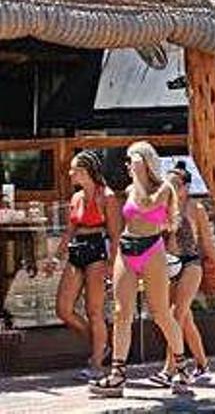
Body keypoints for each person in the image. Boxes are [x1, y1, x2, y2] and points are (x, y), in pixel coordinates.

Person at [90, 141, 189, 397]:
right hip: (127, 247)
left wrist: (140, 175)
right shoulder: (130, 187)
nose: (127, 165)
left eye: (130, 160)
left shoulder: (163, 188)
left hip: (152, 249)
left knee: (160, 313)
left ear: (144, 161)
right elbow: (130, 215)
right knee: (122, 312)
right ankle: (117, 375)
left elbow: (146, 205)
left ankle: (180, 366)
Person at [46, 151, 120, 381]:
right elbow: (70, 230)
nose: (70, 173)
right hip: (77, 250)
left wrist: (111, 265)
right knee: (63, 308)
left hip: (97, 250)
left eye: (74, 169)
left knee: (94, 310)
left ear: (87, 171)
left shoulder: (106, 196)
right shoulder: (77, 197)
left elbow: (116, 235)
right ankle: (100, 344)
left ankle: (97, 364)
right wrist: (56, 258)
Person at [148, 162, 215, 386]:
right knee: (185, 320)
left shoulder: (195, 208)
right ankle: (202, 364)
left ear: (186, 187)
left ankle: (169, 370)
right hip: (168, 266)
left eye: (176, 184)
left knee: (175, 315)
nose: (171, 188)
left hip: (191, 264)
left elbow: (206, 242)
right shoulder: (162, 208)